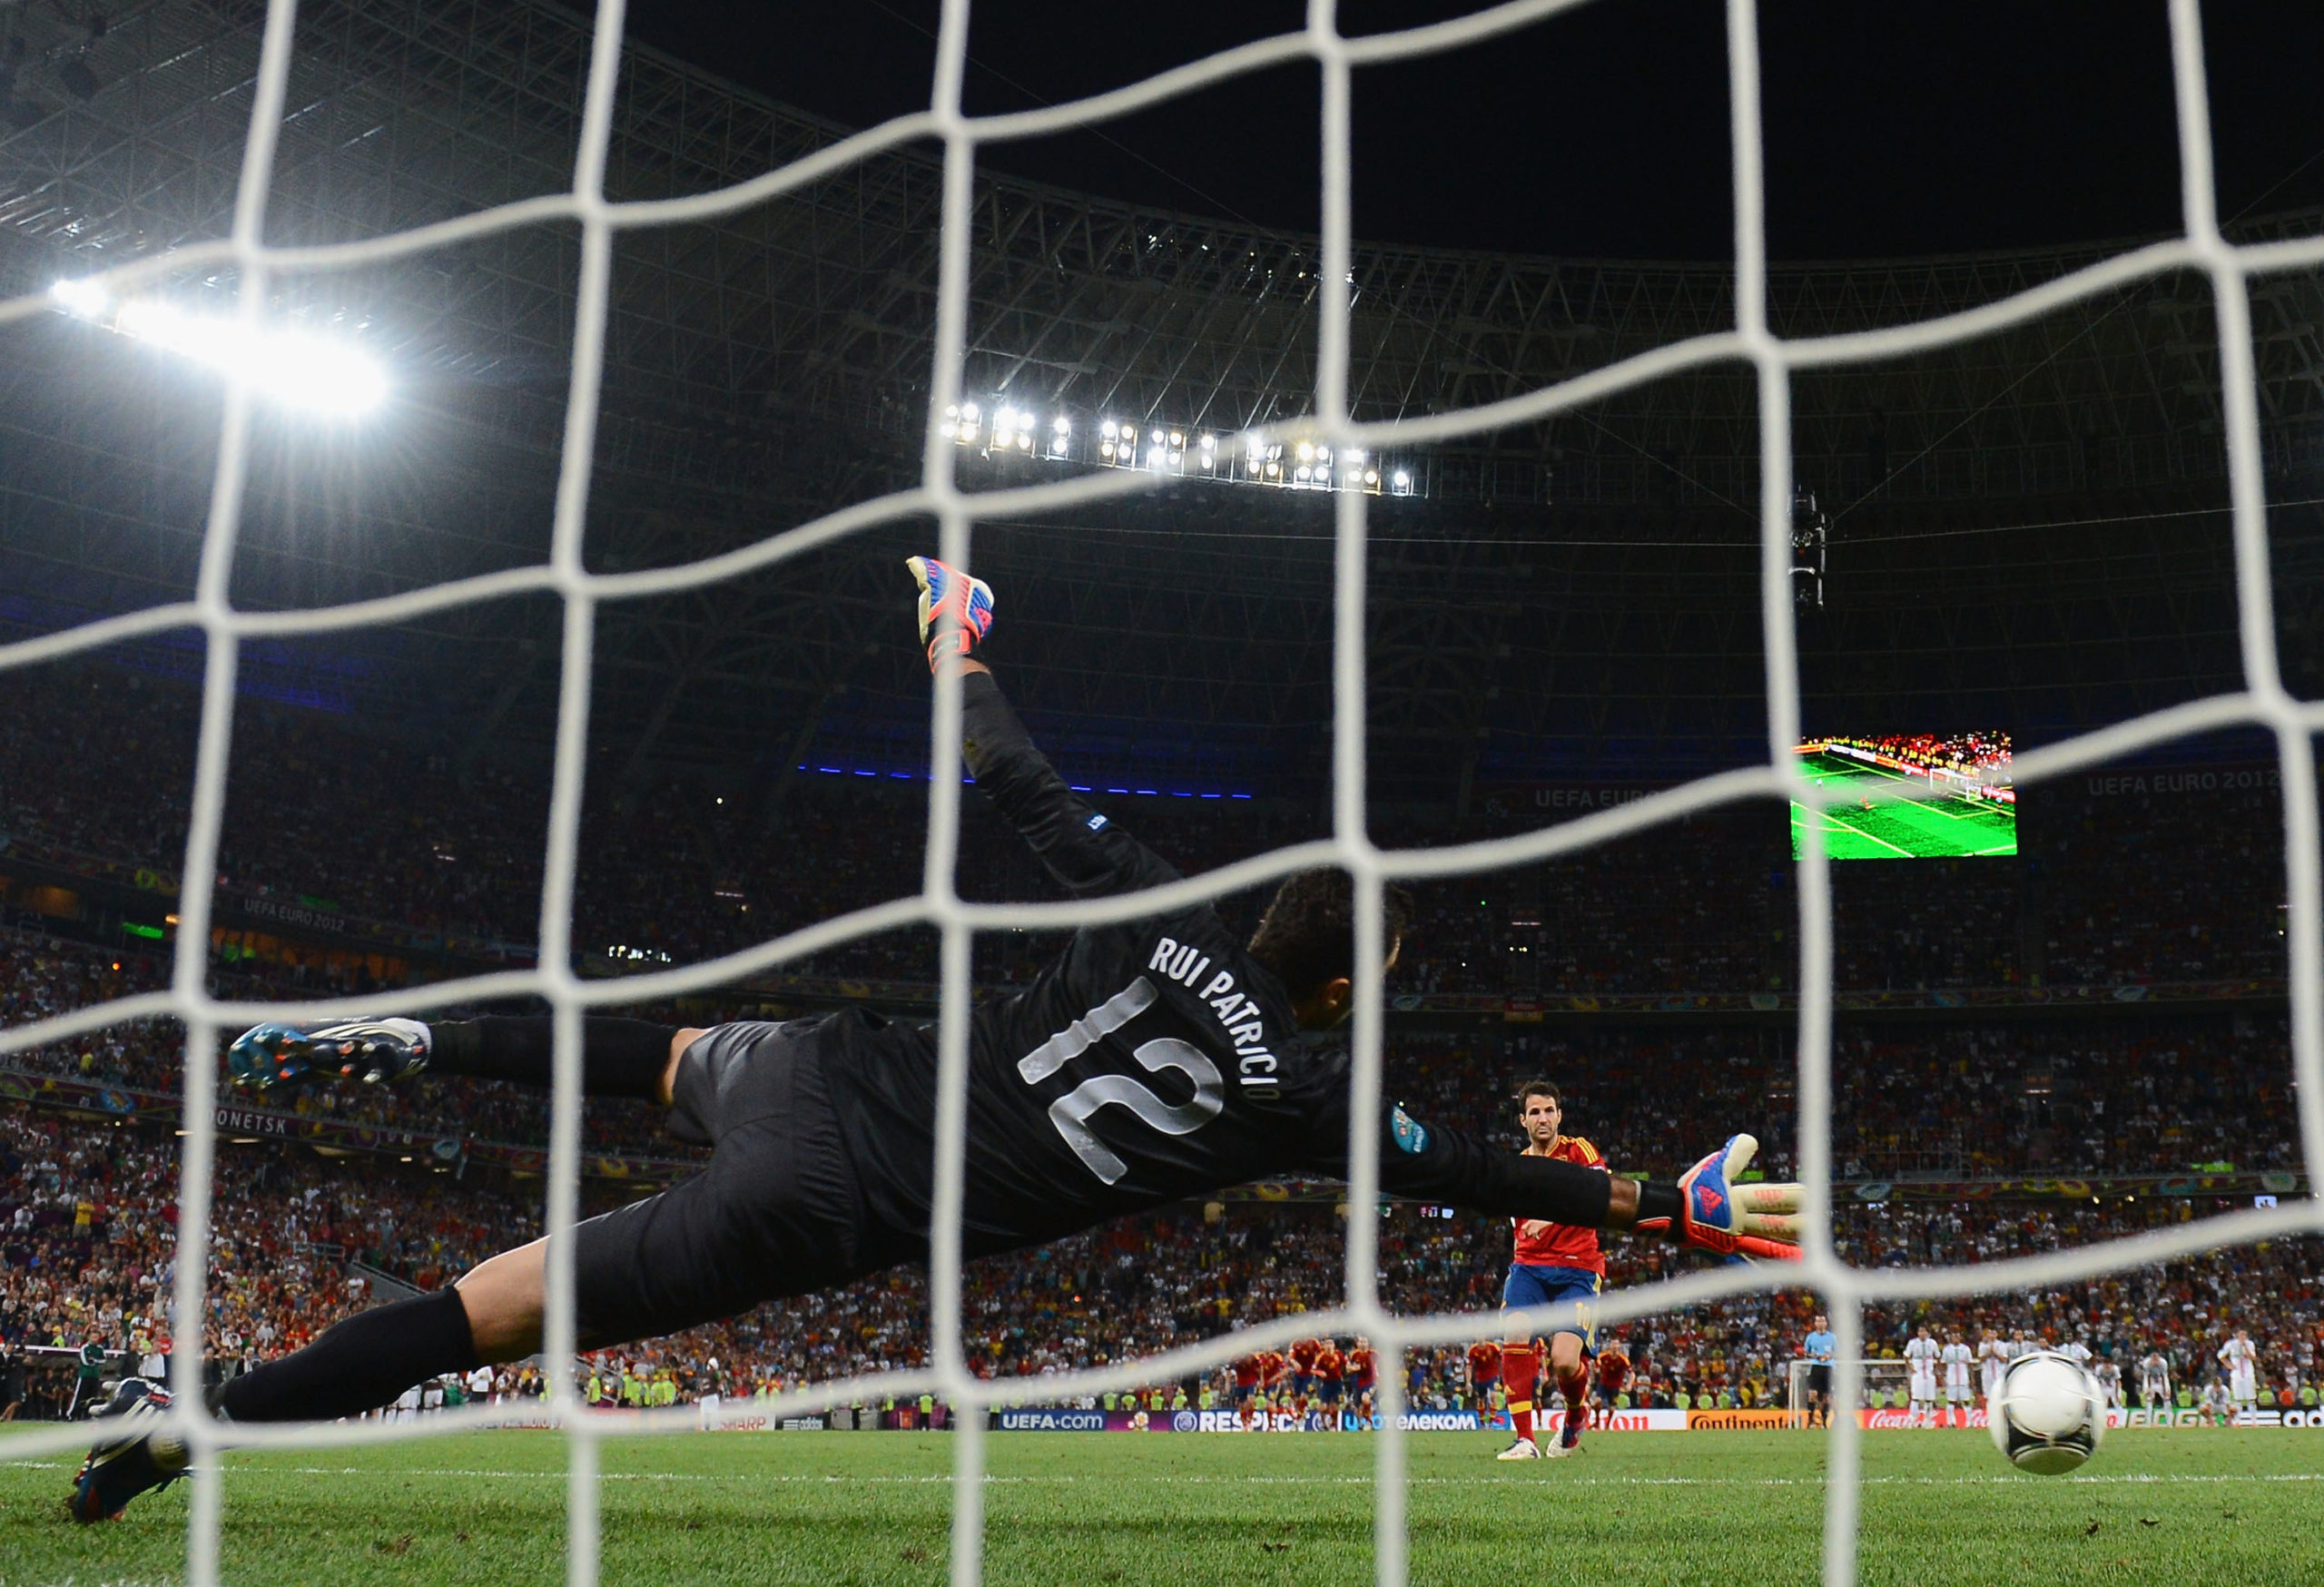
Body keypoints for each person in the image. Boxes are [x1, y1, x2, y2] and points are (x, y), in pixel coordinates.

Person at [68, 557, 1800, 1522]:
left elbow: (1018, 782)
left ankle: (428, 1032)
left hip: (821, 1066)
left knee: (634, 1045)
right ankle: (207, 1424)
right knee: (485, 1313)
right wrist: (1665, 1206)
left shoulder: (1162, 906)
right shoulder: (1309, 1091)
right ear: (1345, 985)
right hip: (827, 1199)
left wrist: (955, 642)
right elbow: (1475, 1171)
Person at [1494, 1079, 1608, 1462]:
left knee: (1563, 1360)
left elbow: (1601, 1194)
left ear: (1559, 1115)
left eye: (1548, 1111)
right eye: (1534, 1112)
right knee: (1514, 1333)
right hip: (1529, 1266)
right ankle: (1525, 1439)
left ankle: (1576, 1415)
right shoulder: (1516, 1165)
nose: (1542, 1118)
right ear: (1522, 1120)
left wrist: (1551, 1216)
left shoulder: (1579, 1150)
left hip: (1578, 1269)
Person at [1800, 1315, 1837, 1428]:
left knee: (1826, 1396)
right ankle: (1810, 1420)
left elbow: (1837, 1352)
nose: (1821, 1323)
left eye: (1823, 1321)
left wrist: (1829, 1356)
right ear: (1815, 1324)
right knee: (1813, 1394)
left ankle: (1825, 1421)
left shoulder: (1832, 1337)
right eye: (1818, 1321)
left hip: (1828, 1367)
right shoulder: (1811, 1337)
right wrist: (1813, 1355)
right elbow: (1806, 1352)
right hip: (1815, 1366)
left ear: (1826, 1323)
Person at [1904, 1326, 1940, 1427]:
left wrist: (1936, 1369)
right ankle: (1913, 1420)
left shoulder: (1932, 1343)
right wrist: (1910, 1368)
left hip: (1929, 1373)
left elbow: (1938, 1356)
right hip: (1918, 1373)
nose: (1922, 1333)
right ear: (1918, 1333)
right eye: (1920, 1331)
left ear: (1927, 1333)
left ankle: (1927, 1421)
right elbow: (1906, 1356)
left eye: (1924, 1331)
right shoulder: (1913, 1343)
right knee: (1916, 1397)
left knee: (1929, 1398)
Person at [2219, 1329, 2259, 1415]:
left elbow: (2253, 1357)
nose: (2243, 1336)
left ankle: (2254, 1422)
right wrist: (2228, 1365)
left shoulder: (2250, 1344)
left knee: (2251, 1399)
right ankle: (2237, 1422)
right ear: (2237, 1335)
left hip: (2248, 1374)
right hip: (2236, 1375)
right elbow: (2220, 1355)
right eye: (2241, 1334)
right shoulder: (2230, 1344)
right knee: (2238, 1400)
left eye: (2245, 1335)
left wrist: (2245, 1347)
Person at [1940, 1332, 1974, 1424]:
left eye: (1957, 1337)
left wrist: (1972, 1378)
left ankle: (1969, 1421)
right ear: (1951, 1338)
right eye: (1953, 1337)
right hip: (1951, 1378)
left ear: (1960, 1338)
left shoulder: (1966, 1349)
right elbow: (1943, 1364)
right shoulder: (1947, 1349)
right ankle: (1951, 1422)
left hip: (1963, 1378)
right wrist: (1943, 1377)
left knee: (1966, 1400)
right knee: (1951, 1401)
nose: (1955, 1339)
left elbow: (1970, 1364)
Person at [1976, 1327, 2009, 1405]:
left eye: (1993, 1333)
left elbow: (2004, 1359)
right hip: (1987, 1372)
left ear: (1997, 1335)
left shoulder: (2002, 1345)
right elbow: (1981, 1359)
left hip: (1999, 1371)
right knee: (1988, 1393)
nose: (1992, 1335)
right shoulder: (1982, 1345)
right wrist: (1989, 1352)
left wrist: (1995, 1352)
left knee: (2000, 1392)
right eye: (1990, 1333)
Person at [2137, 1346, 2172, 1412]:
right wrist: (2147, 1389)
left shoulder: (2163, 1363)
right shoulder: (2146, 1363)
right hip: (2151, 1381)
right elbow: (2146, 1377)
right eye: (2153, 1357)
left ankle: (2169, 1418)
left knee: (2167, 1398)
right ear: (2150, 1357)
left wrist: (2167, 1389)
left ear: (2159, 1356)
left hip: (2160, 1381)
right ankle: (2148, 1418)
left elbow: (2164, 1377)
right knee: (2149, 1398)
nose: (2155, 1360)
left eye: (2156, 1357)